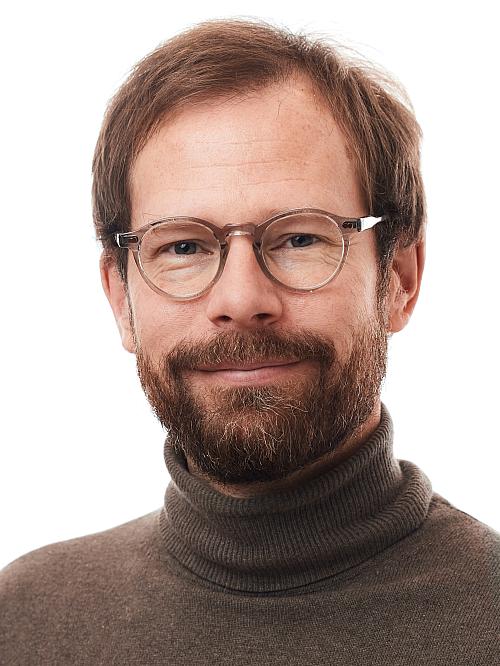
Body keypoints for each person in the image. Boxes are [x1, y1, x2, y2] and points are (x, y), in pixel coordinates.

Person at [1, 17, 498, 665]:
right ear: (121, 298)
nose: (240, 300)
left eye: (300, 238)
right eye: (183, 247)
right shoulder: (24, 622)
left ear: (399, 279)